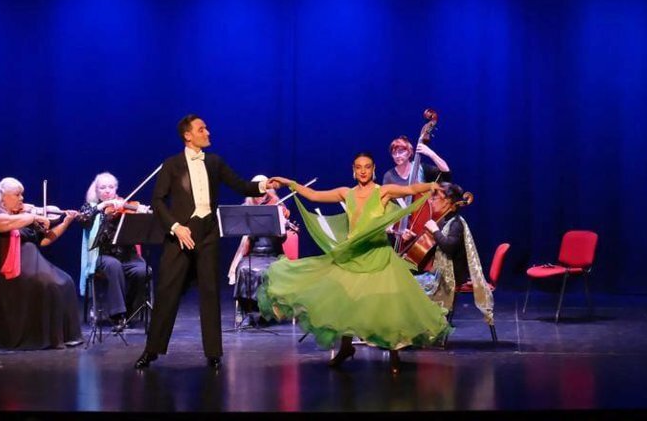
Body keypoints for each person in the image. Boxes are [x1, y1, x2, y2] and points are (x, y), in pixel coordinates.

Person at [260, 153, 451, 375]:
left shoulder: (383, 191)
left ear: (373, 169)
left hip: (378, 257)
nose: (363, 171)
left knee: (387, 306)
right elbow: (313, 195)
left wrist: (430, 185)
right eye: (359, 167)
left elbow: (410, 189)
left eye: (367, 167)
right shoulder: (346, 193)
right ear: (353, 170)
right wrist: (288, 182)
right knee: (347, 301)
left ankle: (394, 353)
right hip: (353, 257)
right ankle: (346, 348)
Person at [135, 115, 278, 370]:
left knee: (210, 292)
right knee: (167, 292)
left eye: (206, 129)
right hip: (181, 235)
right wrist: (176, 227)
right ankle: (152, 350)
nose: (207, 132)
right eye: (201, 129)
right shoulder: (172, 164)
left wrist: (265, 185)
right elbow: (158, 201)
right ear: (188, 135)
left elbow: (241, 185)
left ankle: (214, 353)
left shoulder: (214, 162)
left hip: (208, 233)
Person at [0, 177, 83, 349]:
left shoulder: (20, 216)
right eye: (17, 195)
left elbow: (45, 240)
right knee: (51, 285)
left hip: (31, 267)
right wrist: (33, 216)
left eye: (22, 195)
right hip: (7, 274)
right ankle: (44, 338)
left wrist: (65, 223)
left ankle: (66, 336)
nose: (21, 198)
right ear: (3, 196)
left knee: (66, 281)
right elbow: (5, 223)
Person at [409, 183, 493, 325]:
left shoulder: (456, 223)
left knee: (408, 285)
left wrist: (435, 230)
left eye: (434, 198)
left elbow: (448, 247)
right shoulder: (447, 220)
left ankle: (422, 327)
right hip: (441, 274)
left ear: (447, 201)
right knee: (408, 281)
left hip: (451, 277)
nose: (430, 201)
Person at [77, 172, 150, 328]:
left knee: (142, 270)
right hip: (102, 255)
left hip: (127, 255)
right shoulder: (90, 207)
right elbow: (83, 218)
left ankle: (130, 313)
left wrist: (141, 213)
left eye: (111, 187)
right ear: (96, 190)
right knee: (113, 265)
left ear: (116, 188)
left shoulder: (123, 206)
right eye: (102, 187)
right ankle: (117, 315)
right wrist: (102, 208)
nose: (107, 190)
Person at [226, 175, 298, 327]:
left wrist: (282, 220)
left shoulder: (277, 206)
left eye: (264, 193)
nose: (261, 196)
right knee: (243, 269)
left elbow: (283, 235)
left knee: (266, 271)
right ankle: (246, 311)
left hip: (272, 255)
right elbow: (241, 235)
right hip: (253, 254)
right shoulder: (247, 207)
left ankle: (264, 312)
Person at [382, 136, 451, 186]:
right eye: (394, 153)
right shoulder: (389, 176)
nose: (397, 156)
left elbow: (445, 172)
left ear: (409, 153)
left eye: (400, 152)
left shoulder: (421, 169)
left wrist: (431, 153)